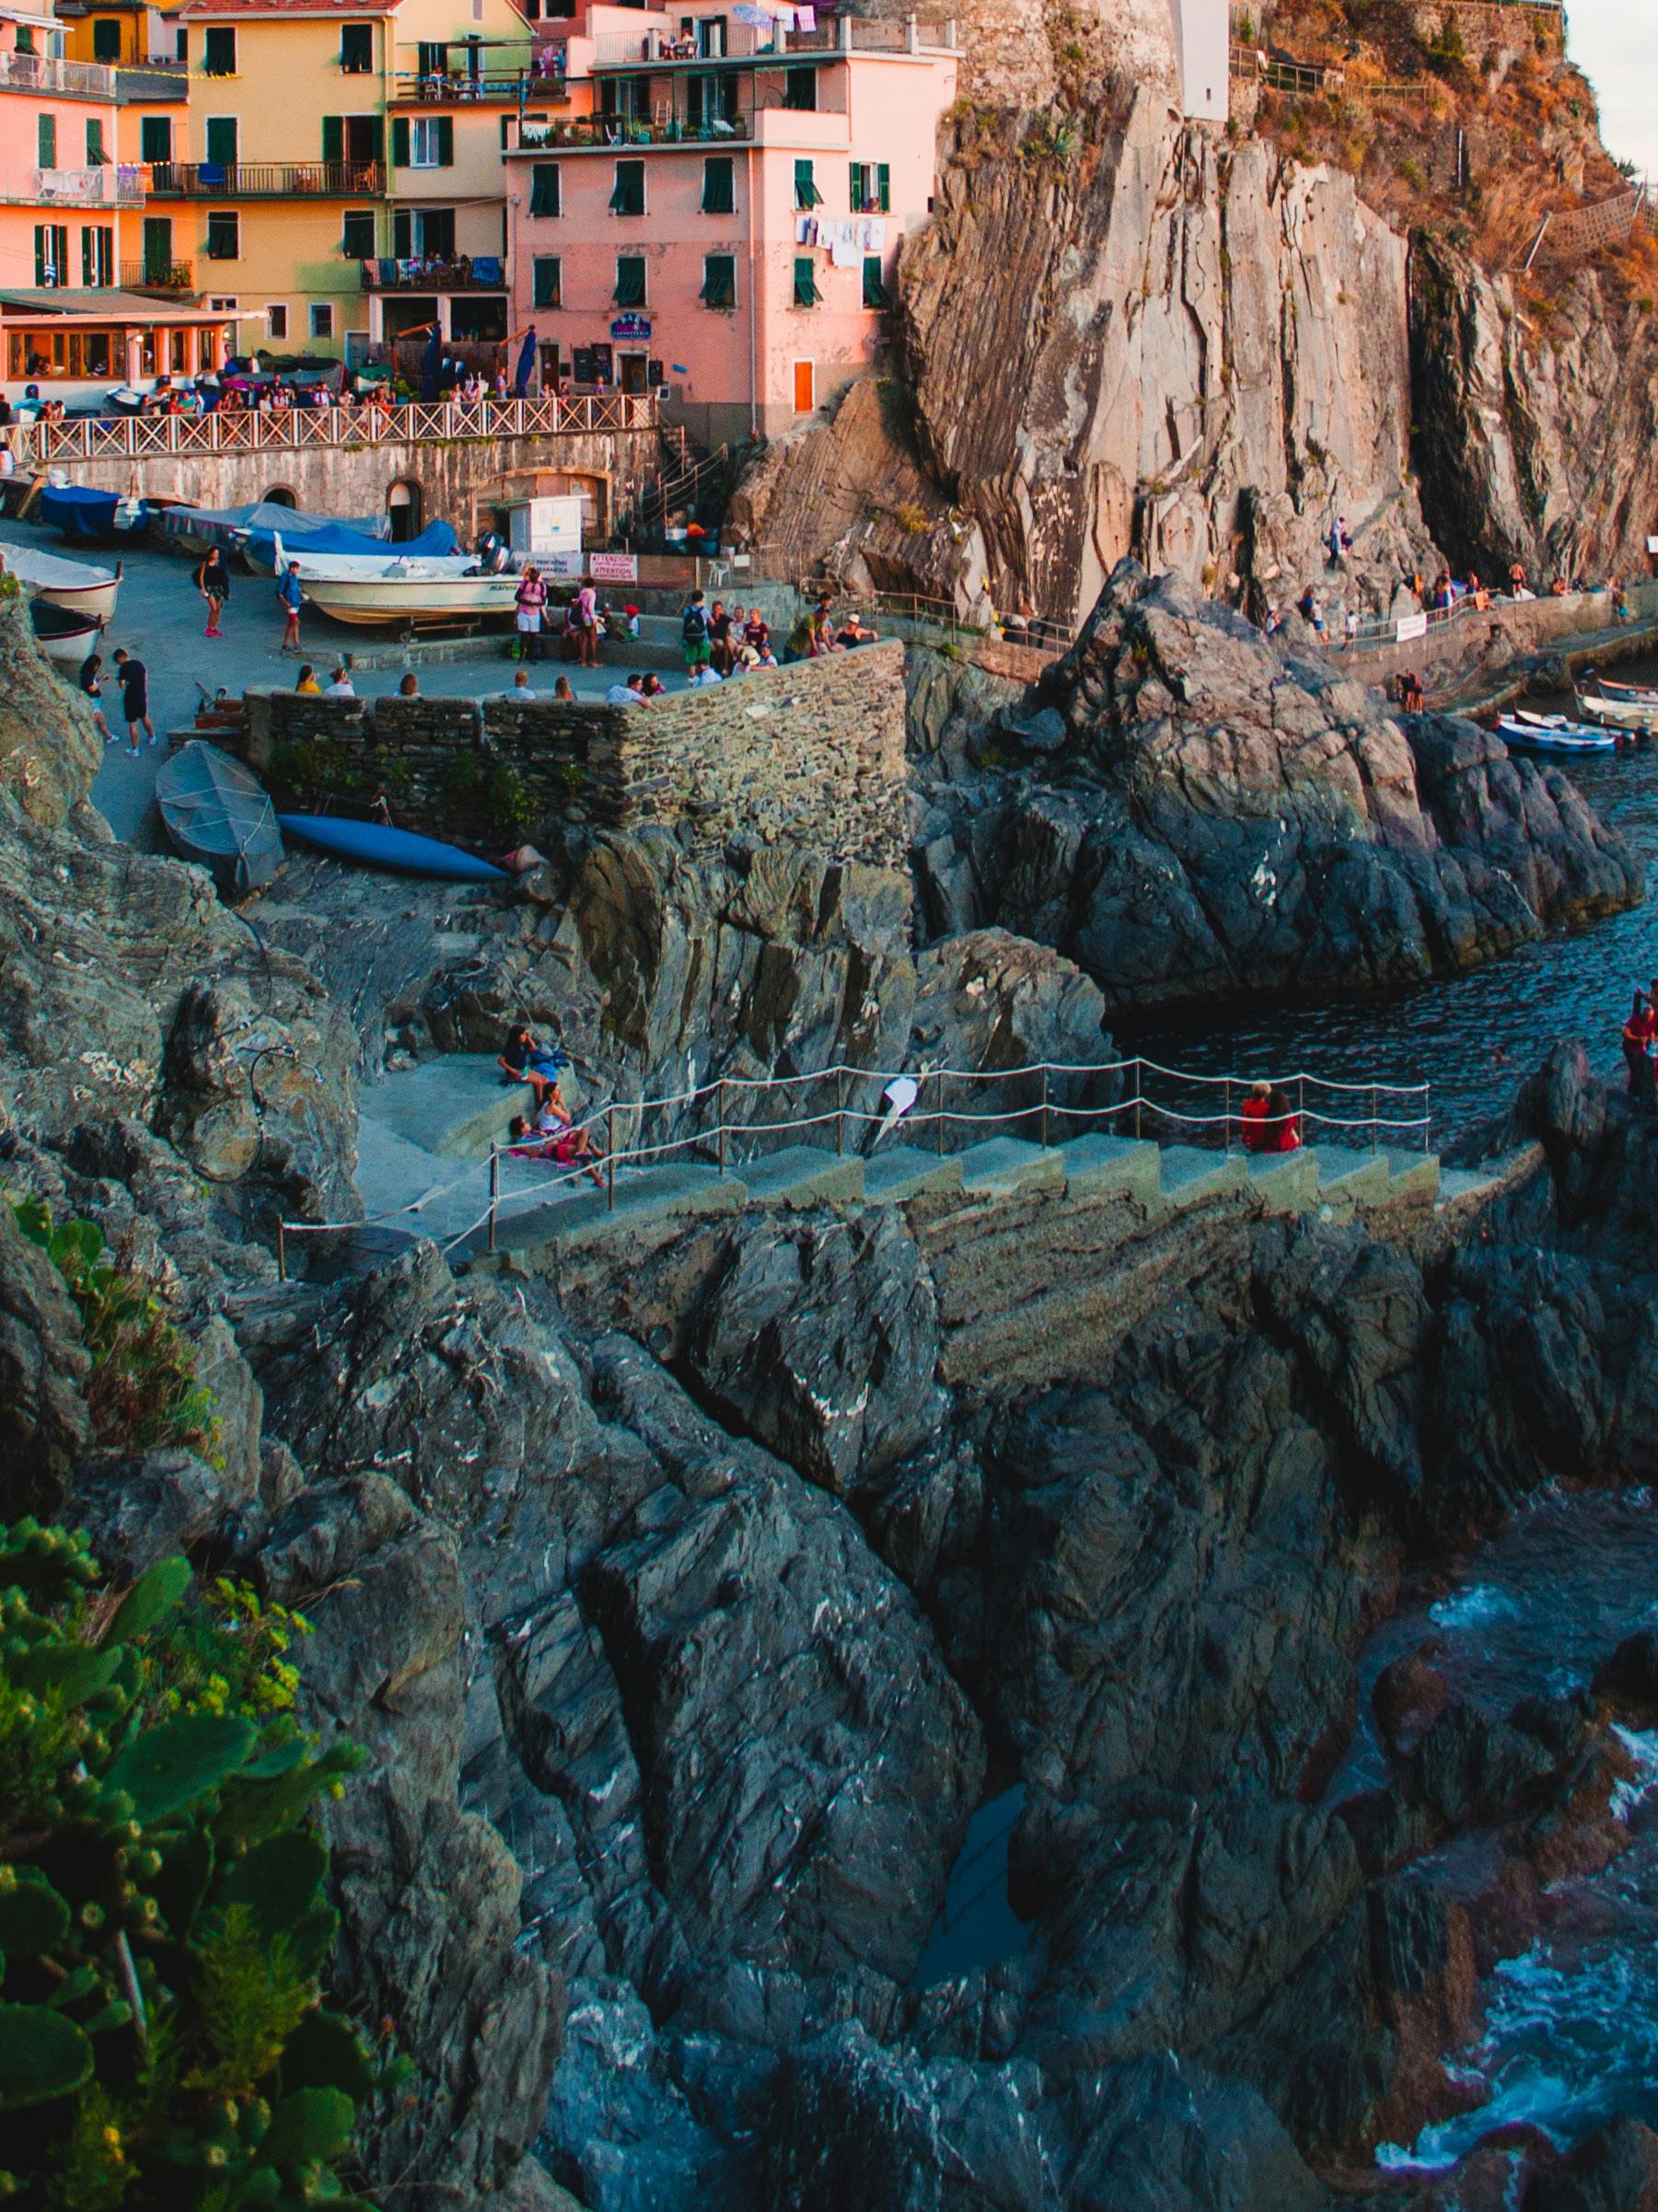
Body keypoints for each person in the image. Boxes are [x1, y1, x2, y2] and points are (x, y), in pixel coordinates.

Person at [499, 1023, 568, 1102]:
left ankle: (549, 1099)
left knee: (544, 1079)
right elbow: (500, 1061)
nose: (525, 1036)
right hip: (515, 1074)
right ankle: (541, 1103)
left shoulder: (522, 1045)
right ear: (517, 1036)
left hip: (524, 1069)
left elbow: (534, 1048)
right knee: (539, 1082)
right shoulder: (510, 1047)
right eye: (523, 1034)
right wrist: (512, 1070)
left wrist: (528, 1037)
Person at [111, 649, 154, 754]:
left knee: (133, 724)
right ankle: (152, 737)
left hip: (131, 697)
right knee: (144, 717)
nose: (118, 663)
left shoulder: (123, 669)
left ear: (120, 658)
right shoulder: (139, 663)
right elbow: (145, 677)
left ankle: (135, 749)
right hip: (142, 694)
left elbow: (122, 685)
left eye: (118, 661)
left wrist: (122, 681)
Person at [1623, 991, 1657, 1111]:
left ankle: (1639, 1092)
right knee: (1636, 1070)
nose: (1648, 1020)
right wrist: (1637, 1039)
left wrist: (1653, 1038)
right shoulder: (1635, 1020)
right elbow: (1625, 1033)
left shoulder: (1651, 1022)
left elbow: (1652, 1034)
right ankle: (1633, 1093)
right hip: (1631, 1049)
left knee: (1643, 1070)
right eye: (1647, 1018)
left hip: (1642, 1049)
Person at [77, 651, 114, 745]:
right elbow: (92, 688)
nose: (98, 668)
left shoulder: (89, 674)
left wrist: (101, 679)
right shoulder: (87, 676)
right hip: (92, 701)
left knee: (98, 721)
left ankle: (108, 737)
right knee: (99, 720)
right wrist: (101, 680)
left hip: (95, 701)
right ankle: (108, 737)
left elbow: (94, 682)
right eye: (97, 666)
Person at [195, 545, 231, 638]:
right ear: (210, 554)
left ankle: (214, 628)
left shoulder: (220, 563)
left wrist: (226, 591)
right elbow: (201, 577)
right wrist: (203, 589)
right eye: (215, 553)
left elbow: (224, 577)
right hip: (209, 588)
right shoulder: (205, 564)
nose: (216, 555)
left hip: (218, 588)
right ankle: (209, 628)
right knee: (214, 608)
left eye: (217, 554)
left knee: (218, 609)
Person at [514, 563, 549, 660]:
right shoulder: (524, 584)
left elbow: (543, 601)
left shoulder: (542, 586)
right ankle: (521, 656)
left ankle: (531, 657)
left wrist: (535, 604)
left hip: (535, 613)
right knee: (524, 635)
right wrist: (527, 602)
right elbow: (516, 597)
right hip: (524, 612)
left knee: (533, 636)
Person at [681, 589, 711, 676]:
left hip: (690, 638)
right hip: (703, 638)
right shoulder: (705, 611)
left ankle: (692, 680)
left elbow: (685, 622)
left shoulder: (687, 610)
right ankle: (704, 679)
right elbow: (712, 623)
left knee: (692, 662)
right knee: (704, 661)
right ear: (702, 598)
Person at [1263, 1085, 1301, 1152]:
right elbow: (1293, 1133)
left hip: (1272, 1147)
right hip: (1288, 1146)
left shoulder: (1267, 1116)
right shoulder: (1290, 1118)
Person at [572, 575, 599, 667]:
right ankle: (593, 661)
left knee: (583, 639)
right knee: (592, 638)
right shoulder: (592, 593)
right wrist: (593, 618)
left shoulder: (582, 592)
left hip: (581, 616)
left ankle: (583, 661)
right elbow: (590, 607)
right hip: (588, 617)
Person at [277, 560, 303, 654]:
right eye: (297, 569)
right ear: (292, 568)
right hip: (290, 604)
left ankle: (286, 644)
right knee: (296, 622)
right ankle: (295, 644)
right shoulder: (285, 577)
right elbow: (280, 592)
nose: (298, 571)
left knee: (291, 624)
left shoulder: (294, 576)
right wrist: (285, 603)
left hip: (295, 602)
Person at [1239, 1081, 1273, 1152]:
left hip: (1249, 1139)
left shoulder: (1246, 1104)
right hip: (1262, 1140)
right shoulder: (1267, 1108)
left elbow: (1245, 1125)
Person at [707, 598, 735, 676]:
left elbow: (734, 622)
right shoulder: (709, 618)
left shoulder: (725, 619)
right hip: (711, 640)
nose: (717, 611)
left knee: (722, 644)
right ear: (712, 609)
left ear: (721, 610)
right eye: (715, 609)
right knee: (710, 646)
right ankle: (711, 665)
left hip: (721, 640)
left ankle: (719, 666)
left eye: (719, 609)